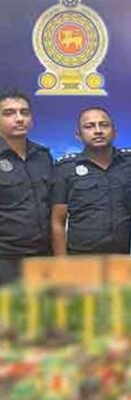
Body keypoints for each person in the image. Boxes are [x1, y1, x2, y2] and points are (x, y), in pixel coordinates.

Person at [51, 107, 131, 255]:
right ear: (78, 135)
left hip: (128, 255)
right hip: (83, 256)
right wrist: (61, 262)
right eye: (89, 126)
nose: (98, 131)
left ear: (114, 132)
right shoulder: (65, 168)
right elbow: (58, 221)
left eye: (104, 125)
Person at [0, 90, 52, 284]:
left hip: (43, 256)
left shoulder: (43, 155)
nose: (19, 118)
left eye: (24, 112)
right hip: (6, 258)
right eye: (9, 113)